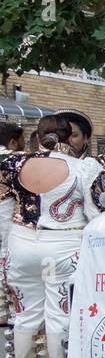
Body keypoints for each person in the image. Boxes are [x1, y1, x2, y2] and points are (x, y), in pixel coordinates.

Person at [0, 121, 105, 358]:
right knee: (60, 314)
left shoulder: (13, 165)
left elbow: (3, 214)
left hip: (21, 244)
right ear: (70, 138)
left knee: (25, 314)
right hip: (64, 247)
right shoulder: (85, 168)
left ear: (37, 138)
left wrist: (5, 253)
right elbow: (96, 214)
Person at [0, 122, 23, 327]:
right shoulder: (14, 159)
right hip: (5, 209)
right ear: (13, 141)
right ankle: (6, 311)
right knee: (5, 256)